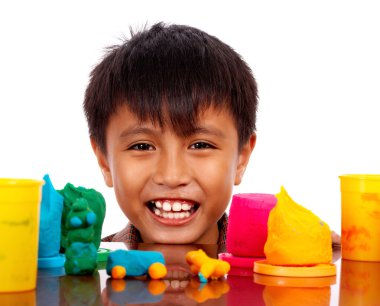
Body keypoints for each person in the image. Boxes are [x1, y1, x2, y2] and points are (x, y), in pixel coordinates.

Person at [83, 22, 256, 252]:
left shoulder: (278, 272)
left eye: (200, 144)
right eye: (142, 146)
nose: (172, 176)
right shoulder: (87, 272)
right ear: (104, 161)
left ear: (241, 159)